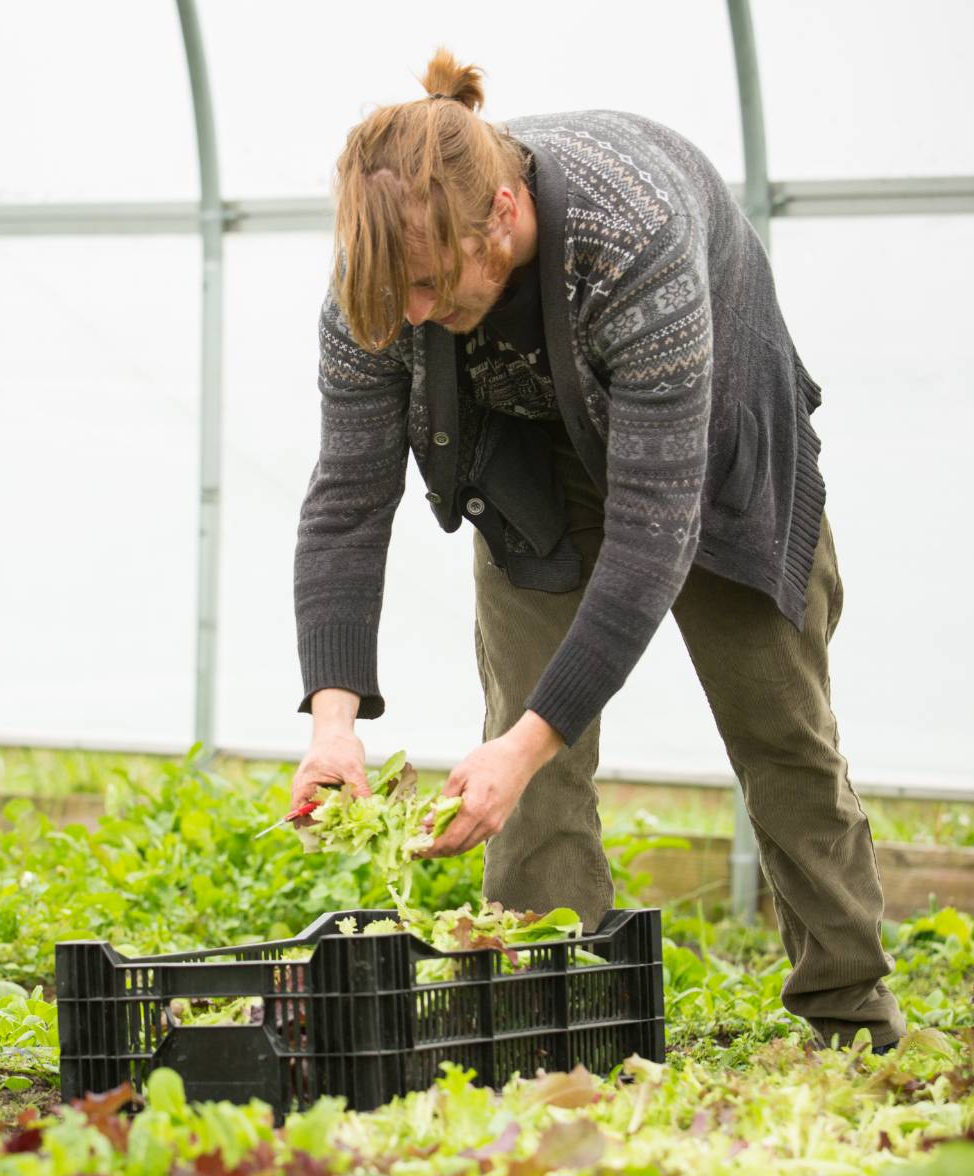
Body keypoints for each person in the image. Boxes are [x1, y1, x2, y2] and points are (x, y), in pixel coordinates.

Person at [288, 50, 903, 1052]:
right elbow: (346, 500)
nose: (409, 315)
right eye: (395, 290)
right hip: (531, 462)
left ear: (498, 214)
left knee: (777, 726)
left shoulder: (631, 238)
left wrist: (522, 746)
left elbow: (654, 532)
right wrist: (331, 723)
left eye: (432, 288)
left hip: (710, 456)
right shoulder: (380, 283)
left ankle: (848, 1013)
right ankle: (543, 1016)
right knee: (524, 742)